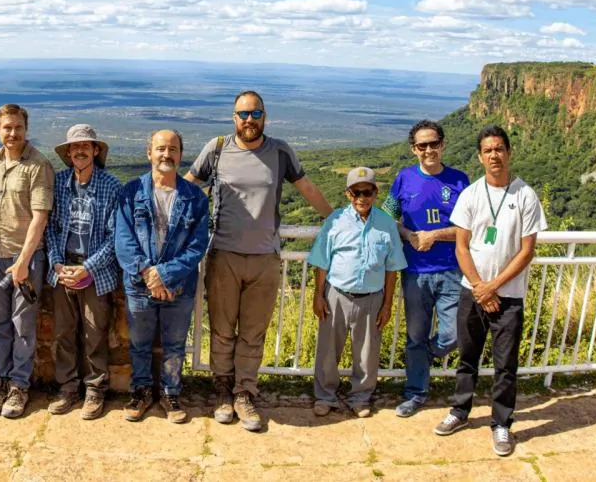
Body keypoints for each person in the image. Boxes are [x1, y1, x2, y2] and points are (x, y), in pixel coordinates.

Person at [185, 90, 333, 431]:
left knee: (253, 333)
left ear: (265, 115)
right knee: (222, 332)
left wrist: (337, 219)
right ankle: (222, 390)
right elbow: (189, 188)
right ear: (233, 117)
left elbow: (307, 188)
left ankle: (244, 394)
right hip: (223, 254)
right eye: (242, 114)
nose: (248, 120)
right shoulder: (217, 148)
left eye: (254, 113)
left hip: (266, 257)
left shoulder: (279, 151)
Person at [434, 126, 546, 458]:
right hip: (473, 293)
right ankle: (460, 410)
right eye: (488, 150)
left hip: (508, 297)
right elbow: (462, 247)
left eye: (499, 149)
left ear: (508, 153)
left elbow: (527, 252)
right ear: (480, 157)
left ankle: (501, 424)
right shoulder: (470, 194)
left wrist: (492, 287)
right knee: (467, 358)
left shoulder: (525, 195)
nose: (494, 155)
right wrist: (481, 288)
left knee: (505, 364)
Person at [115, 129, 208, 424]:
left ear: (181, 155)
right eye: (160, 149)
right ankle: (141, 391)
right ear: (149, 153)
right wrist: (149, 274)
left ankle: (171, 392)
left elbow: (197, 246)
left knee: (175, 344)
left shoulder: (195, 198)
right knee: (139, 343)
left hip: (178, 287)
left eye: (172, 149)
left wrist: (165, 275)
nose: (166, 155)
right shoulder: (130, 192)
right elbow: (123, 239)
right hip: (139, 285)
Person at [382, 120, 469, 418]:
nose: (428, 150)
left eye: (433, 143)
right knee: (415, 335)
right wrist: (408, 235)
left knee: (454, 333)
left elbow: (468, 226)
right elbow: (387, 218)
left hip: (452, 270)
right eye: (422, 146)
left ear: (443, 144)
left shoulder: (460, 181)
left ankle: (425, 356)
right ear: (413, 149)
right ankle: (415, 393)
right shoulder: (404, 179)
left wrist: (435, 235)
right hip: (415, 272)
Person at [309, 167, 407, 418]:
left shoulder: (386, 224)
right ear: (348, 194)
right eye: (356, 192)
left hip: (372, 297)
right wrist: (318, 295)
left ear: (376, 193)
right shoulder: (336, 220)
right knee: (328, 350)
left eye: (367, 192)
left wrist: (387, 304)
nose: (362, 197)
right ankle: (324, 396)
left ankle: (361, 397)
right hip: (337, 294)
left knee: (367, 353)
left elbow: (392, 268)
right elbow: (321, 261)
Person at [0, 104, 55, 418]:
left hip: (24, 257)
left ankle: (19, 386)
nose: (13, 133)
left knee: (23, 326)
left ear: (26, 128)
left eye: (18, 127)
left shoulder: (38, 164)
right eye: (7, 127)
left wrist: (23, 260)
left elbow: (40, 218)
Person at [45, 124, 122, 420]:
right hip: (63, 268)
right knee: (64, 333)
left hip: (95, 270)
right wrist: (56, 263)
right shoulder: (60, 183)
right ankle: (67, 388)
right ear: (68, 153)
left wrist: (87, 268)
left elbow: (115, 237)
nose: (79, 151)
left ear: (96, 151)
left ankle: (95, 390)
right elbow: (51, 228)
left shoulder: (111, 186)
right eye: (74, 147)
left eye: (85, 146)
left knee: (94, 333)